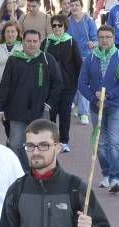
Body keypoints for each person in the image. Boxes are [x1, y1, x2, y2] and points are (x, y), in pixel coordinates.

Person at [0, 29, 63, 169]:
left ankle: (42, 171)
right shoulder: (14, 59)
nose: (32, 44)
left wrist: (48, 104)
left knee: (43, 144)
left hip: (40, 110)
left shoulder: (46, 59)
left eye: (35, 41)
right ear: (23, 42)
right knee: (15, 143)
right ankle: (24, 172)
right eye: (28, 41)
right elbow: (5, 84)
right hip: (17, 110)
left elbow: (58, 83)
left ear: (40, 42)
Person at [78, 25, 119, 194]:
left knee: (114, 140)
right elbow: (82, 84)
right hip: (96, 107)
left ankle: (116, 178)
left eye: (108, 37)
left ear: (113, 38)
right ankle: (107, 173)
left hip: (116, 106)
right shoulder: (91, 58)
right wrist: (95, 99)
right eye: (101, 37)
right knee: (100, 143)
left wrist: (108, 95)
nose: (104, 40)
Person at [42, 14, 84, 152]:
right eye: (54, 25)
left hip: (68, 85)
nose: (57, 28)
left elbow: (79, 64)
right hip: (50, 86)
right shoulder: (46, 42)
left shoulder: (71, 42)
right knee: (51, 114)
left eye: (59, 25)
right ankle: (52, 141)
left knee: (65, 113)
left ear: (65, 26)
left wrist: (81, 82)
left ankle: (64, 141)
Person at [67, 0, 99, 125]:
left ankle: (84, 113)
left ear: (81, 7)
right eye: (72, 5)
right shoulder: (67, 22)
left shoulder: (88, 21)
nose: (74, 7)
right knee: (73, 85)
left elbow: (96, 40)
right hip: (70, 59)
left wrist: (93, 44)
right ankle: (75, 104)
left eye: (76, 5)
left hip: (86, 58)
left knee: (83, 85)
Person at [0, 21, 24, 123]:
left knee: (16, 116)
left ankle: (13, 137)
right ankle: (9, 136)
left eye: (13, 31)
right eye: (7, 32)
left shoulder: (23, 48)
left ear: (17, 33)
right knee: (4, 117)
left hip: (18, 89)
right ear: (4, 33)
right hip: (1, 88)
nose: (10, 34)